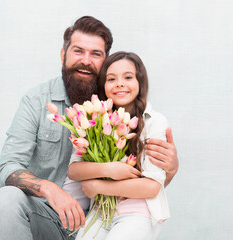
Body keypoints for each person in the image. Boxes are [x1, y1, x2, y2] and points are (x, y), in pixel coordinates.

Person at [0, 16, 179, 240]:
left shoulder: (117, 105)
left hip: (102, 218)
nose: (86, 61)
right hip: (48, 215)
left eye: (96, 54)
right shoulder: (37, 100)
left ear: (106, 61)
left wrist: (171, 170)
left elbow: (146, 181)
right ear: (63, 55)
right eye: (78, 51)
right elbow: (7, 167)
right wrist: (49, 189)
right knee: (5, 199)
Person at [68, 51, 170, 240]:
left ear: (140, 82)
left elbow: (151, 187)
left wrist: (98, 186)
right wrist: (110, 169)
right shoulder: (94, 121)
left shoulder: (154, 121)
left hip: (137, 213)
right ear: (103, 86)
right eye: (111, 79)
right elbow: (74, 170)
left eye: (128, 77)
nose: (120, 84)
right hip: (100, 213)